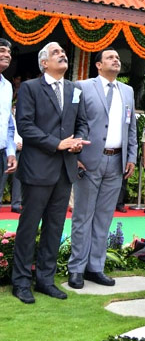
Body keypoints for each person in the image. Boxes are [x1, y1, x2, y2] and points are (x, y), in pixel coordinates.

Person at [12, 42, 89, 303]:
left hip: (64, 170)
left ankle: (45, 280)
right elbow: (25, 125)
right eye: (56, 53)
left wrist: (79, 140)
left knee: (55, 228)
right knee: (29, 227)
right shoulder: (31, 88)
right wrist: (56, 143)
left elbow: (82, 123)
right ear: (43, 63)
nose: (62, 55)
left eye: (63, 53)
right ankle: (21, 281)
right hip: (37, 169)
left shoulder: (74, 89)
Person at [67, 47, 137, 289]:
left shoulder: (127, 91)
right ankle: (76, 268)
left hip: (116, 162)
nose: (116, 60)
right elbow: (71, 119)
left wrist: (132, 156)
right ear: (98, 64)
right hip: (87, 160)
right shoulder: (82, 87)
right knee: (82, 217)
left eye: (117, 57)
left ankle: (95, 268)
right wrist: (73, 153)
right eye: (110, 57)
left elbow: (132, 127)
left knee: (104, 219)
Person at [0, 39, 17, 208]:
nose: (7, 55)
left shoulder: (7, 86)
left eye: (9, 52)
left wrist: (10, 152)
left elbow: (8, 124)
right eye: (2, 50)